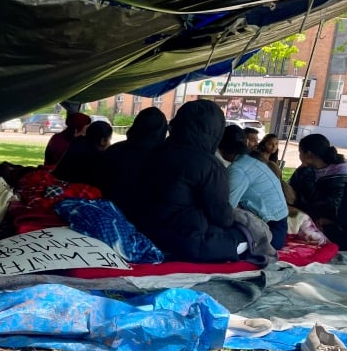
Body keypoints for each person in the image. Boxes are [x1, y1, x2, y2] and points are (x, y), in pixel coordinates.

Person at [132, 100, 247, 263]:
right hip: (188, 243)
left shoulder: (155, 153)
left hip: (147, 235)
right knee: (245, 235)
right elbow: (222, 216)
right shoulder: (209, 164)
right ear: (215, 131)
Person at [218, 125, 289, 249]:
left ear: (222, 149)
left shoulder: (239, 170)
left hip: (271, 232)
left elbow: (226, 209)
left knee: (218, 240)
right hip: (278, 225)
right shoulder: (250, 161)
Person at [95, 106, 167, 222]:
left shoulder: (114, 150)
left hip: (109, 215)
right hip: (147, 222)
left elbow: (99, 182)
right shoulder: (164, 157)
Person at [289, 133, 347, 249]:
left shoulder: (342, 170)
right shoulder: (305, 170)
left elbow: (337, 204)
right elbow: (292, 191)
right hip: (308, 217)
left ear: (308, 154)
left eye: (300, 152)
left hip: (332, 224)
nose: (299, 156)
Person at [52, 120, 113, 184]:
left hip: (56, 184)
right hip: (73, 189)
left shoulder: (77, 142)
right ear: (103, 141)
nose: (110, 143)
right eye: (109, 140)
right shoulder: (97, 156)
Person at [252, 133, 295, 205]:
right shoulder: (258, 158)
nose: (274, 147)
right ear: (264, 144)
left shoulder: (273, 159)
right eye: (270, 144)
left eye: (276, 144)